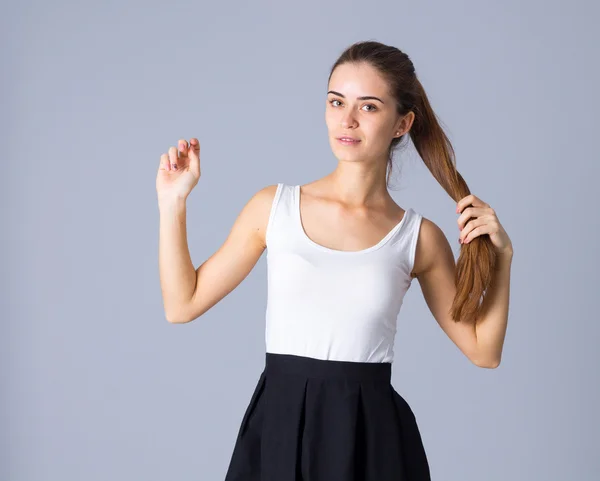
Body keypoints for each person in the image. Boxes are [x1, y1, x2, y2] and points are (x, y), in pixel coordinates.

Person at [156, 40, 514, 481]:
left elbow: (483, 350)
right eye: (336, 101)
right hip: (280, 428)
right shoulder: (274, 208)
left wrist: (504, 257)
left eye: (368, 107)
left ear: (402, 124)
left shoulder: (418, 238)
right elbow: (182, 304)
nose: (346, 120)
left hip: (372, 440)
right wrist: (173, 204)